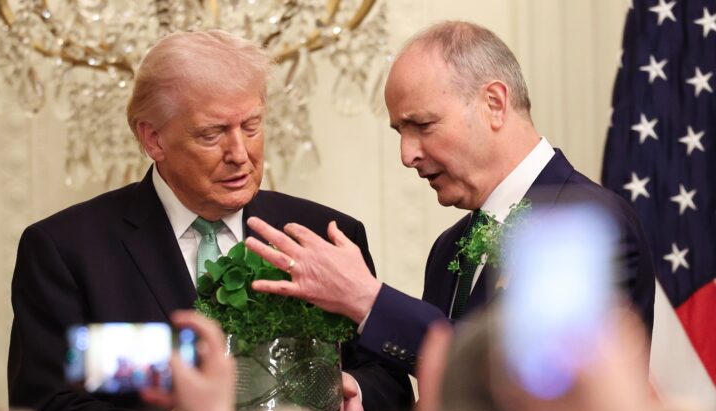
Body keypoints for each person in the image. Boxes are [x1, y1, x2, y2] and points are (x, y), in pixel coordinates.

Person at [8, 30, 413, 411]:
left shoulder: (323, 232)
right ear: (153, 139)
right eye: (211, 133)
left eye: (252, 126)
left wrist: (355, 392)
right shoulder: (67, 251)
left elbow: (391, 383)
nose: (240, 152)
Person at [244, 20, 655, 374]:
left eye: (422, 125)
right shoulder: (448, 249)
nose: (408, 155)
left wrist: (368, 299)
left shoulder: (587, 223)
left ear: (494, 103)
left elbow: (528, 381)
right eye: (400, 133)